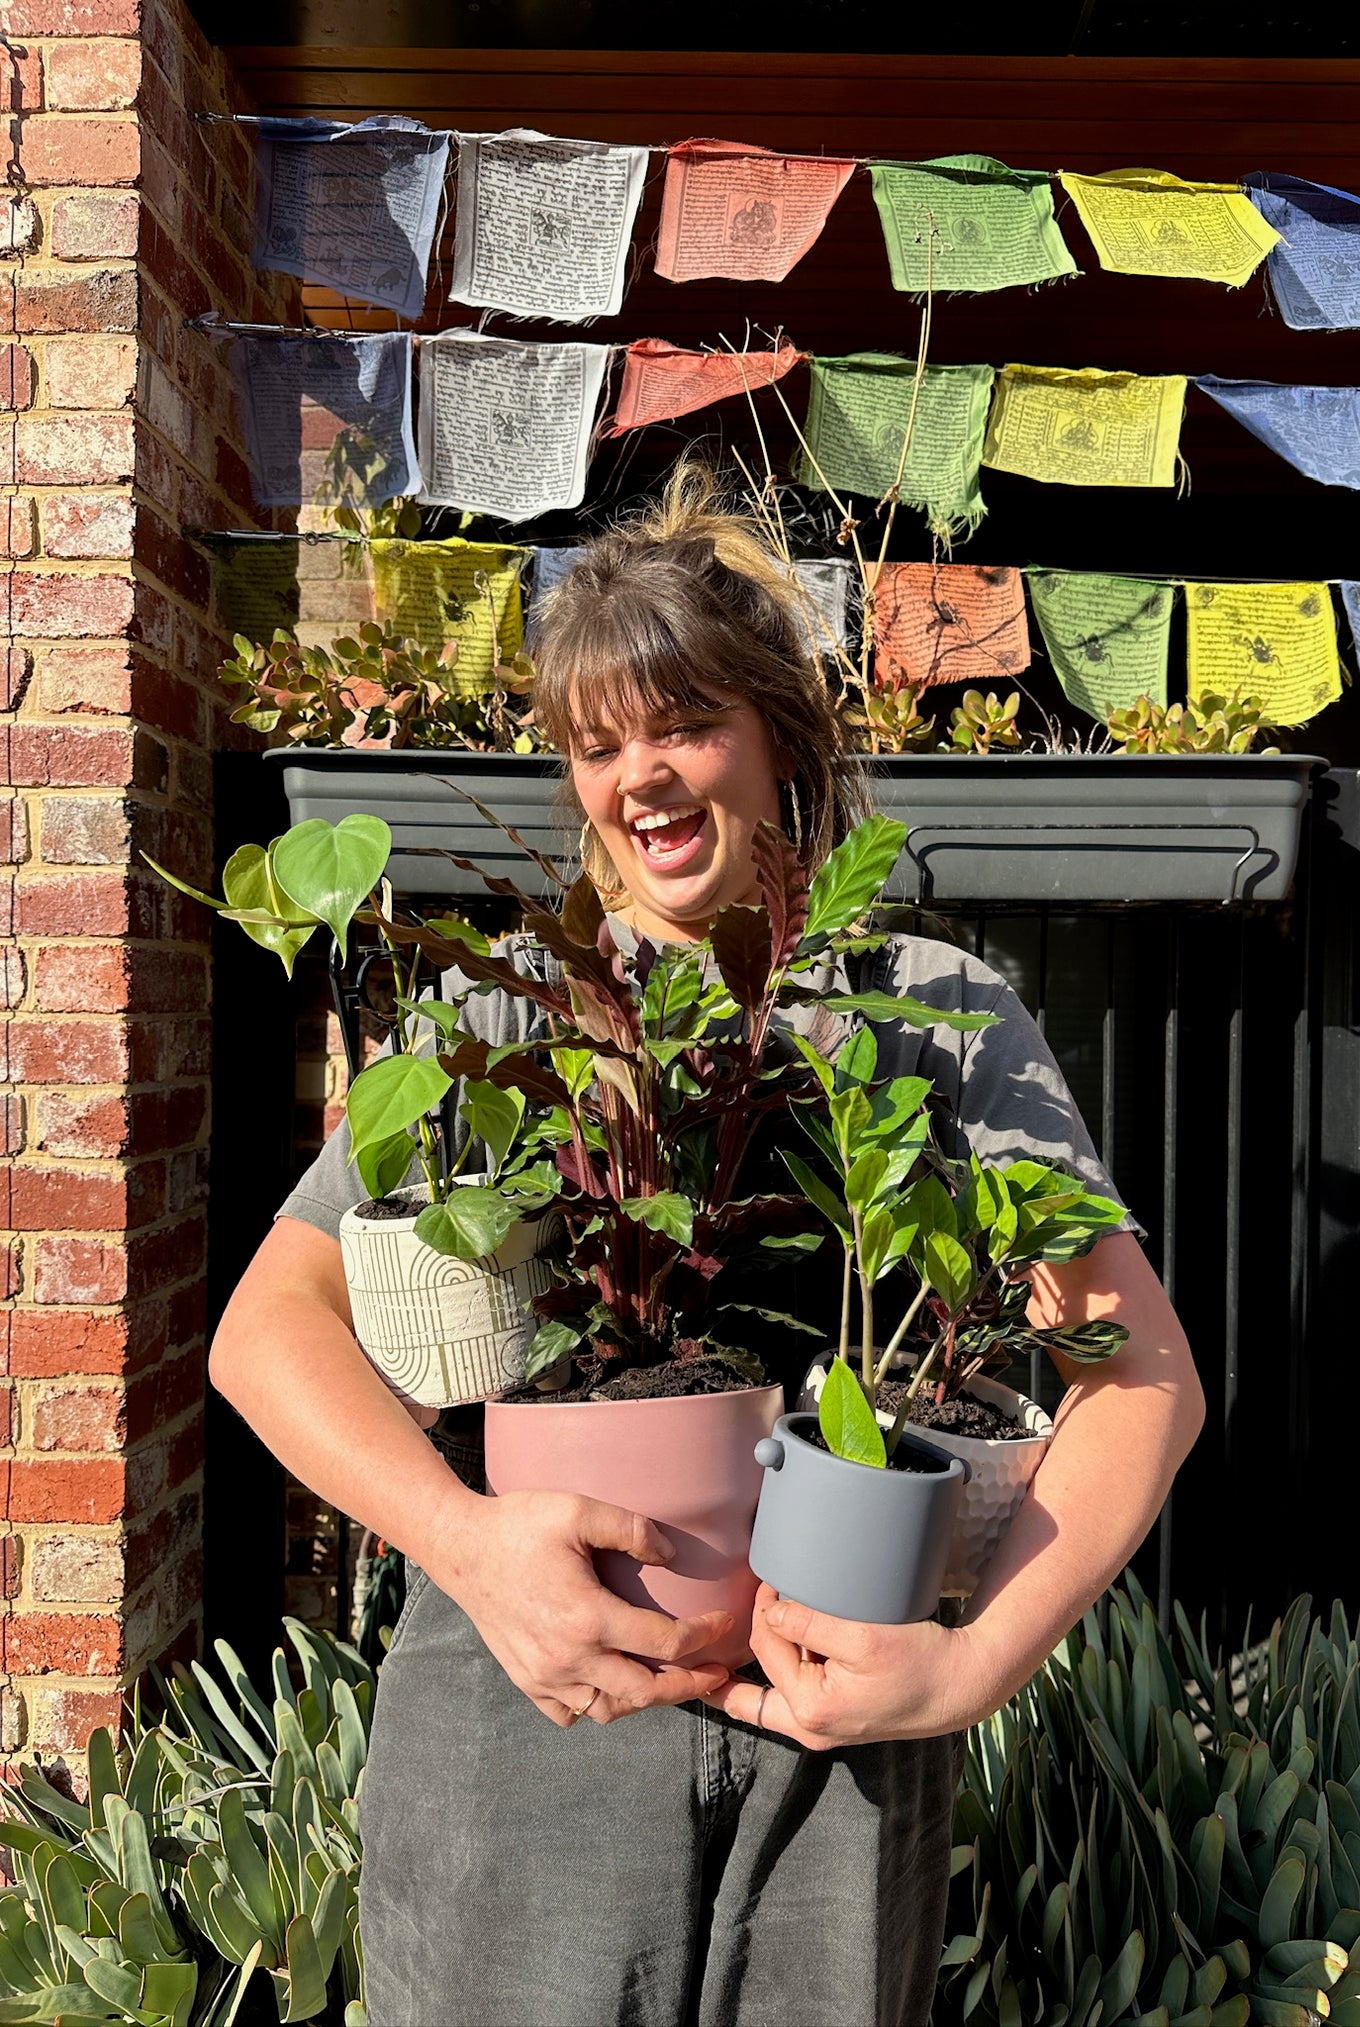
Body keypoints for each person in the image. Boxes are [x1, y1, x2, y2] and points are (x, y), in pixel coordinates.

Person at [210, 472, 1206, 2027]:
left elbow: (1139, 1378)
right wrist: (470, 1550)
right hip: (528, 1713)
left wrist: (968, 1670)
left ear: (776, 736)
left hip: (836, 1743)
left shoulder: (934, 1011)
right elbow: (267, 1329)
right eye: (598, 747)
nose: (640, 781)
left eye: (681, 726)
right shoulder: (502, 1019)